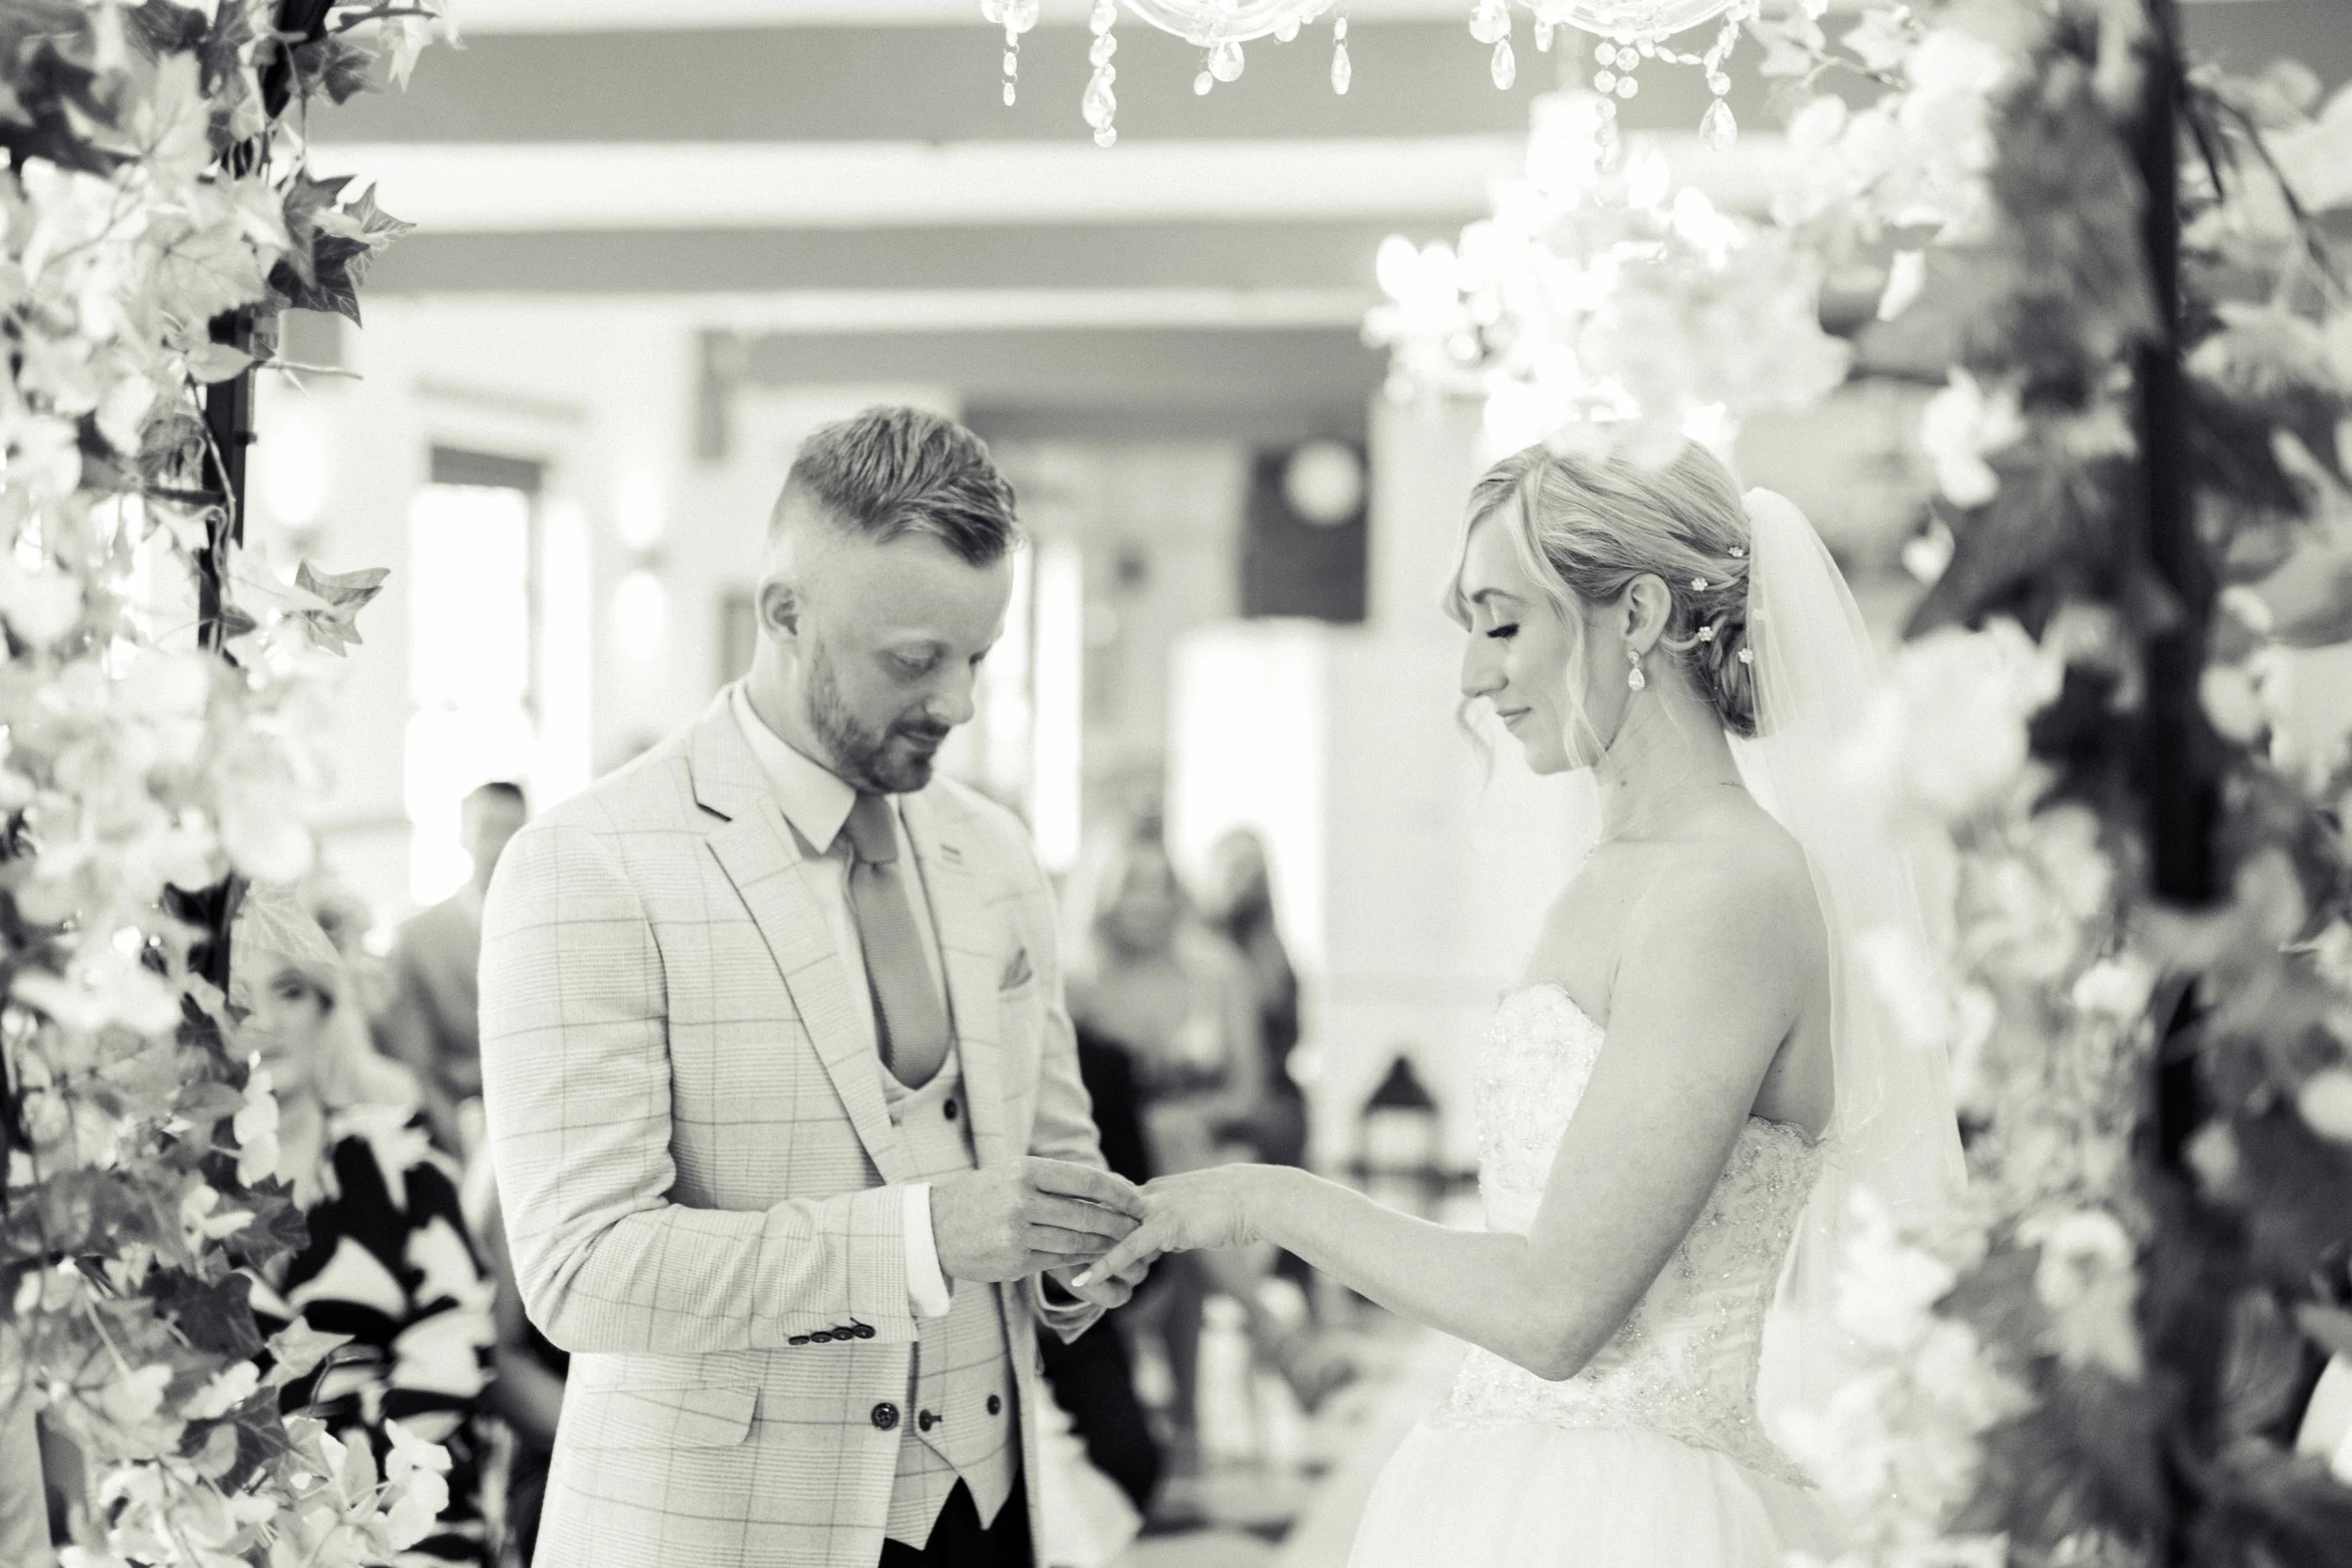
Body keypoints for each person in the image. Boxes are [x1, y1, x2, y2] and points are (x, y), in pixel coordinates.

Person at [1076, 441, 1965, 1565]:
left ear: (1635, 613)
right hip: (1508, 1480)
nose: (1471, 677)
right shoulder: (1619, 873)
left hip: (1632, 1516)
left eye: (1502, 624)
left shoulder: (1729, 888)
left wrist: (1262, 1198)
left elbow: (1556, 1308)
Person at [479, 406, 1148, 1568]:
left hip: (993, 1518)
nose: (959, 701)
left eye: (978, 654)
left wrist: (1080, 1255)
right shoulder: (590, 862)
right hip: (722, 1533)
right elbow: (584, 1272)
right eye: (912, 660)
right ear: (782, 612)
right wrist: (922, 1236)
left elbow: (1049, 1161)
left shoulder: (994, 856)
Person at [232, 883, 498, 1566]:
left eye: (288, 990)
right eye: (237, 998)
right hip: (227, 1529)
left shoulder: (405, 1173)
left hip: (397, 1520)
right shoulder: (171, 1204)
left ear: (326, 1006)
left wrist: (337, 1498)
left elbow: (454, 1355)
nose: (263, 1019)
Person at [1065, 832, 1348, 1465]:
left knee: (1180, 1191)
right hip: (1115, 1164)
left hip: (1210, 1152)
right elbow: (1070, 1105)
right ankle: (1274, 1340)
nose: (1147, 900)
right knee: (1172, 1174)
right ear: (1104, 896)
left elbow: (1247, 1089)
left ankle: (1192, 1426)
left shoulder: (1214, 969)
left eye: (1160, 884)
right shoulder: (1079, 985)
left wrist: (1186, 1113)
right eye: (1132, 884)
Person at [382, 782, 529, 1156]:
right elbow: (417, 1063)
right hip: (454, 1129)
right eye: (487, 830)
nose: (498, 846)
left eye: (511, 832)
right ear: (464, 835)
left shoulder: (556, 928)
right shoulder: (417, 937)